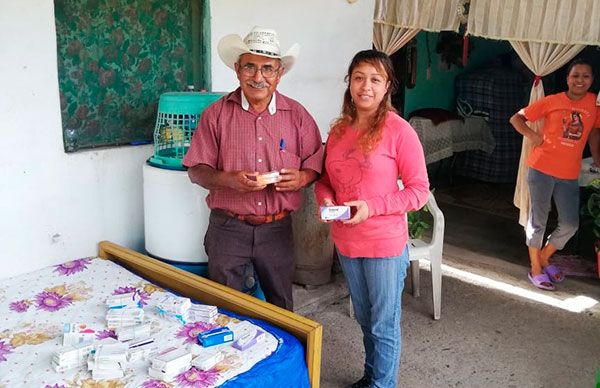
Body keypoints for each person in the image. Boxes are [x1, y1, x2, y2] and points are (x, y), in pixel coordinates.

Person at [182, 26, 323, 311]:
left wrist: (302, 177)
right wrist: (228, 179)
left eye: (267, 69)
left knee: (281, 307)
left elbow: (316, 163)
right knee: (226, 309)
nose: (258, 77)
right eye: (250, 67)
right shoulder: (217, 114)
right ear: (237, 69)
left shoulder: (297, 115)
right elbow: (196, 170)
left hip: (277, 229)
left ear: (279, 73)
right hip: (227, 227)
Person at [315, 50, 429, 388]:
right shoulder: (338, 131)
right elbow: (324, 179)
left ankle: (383, 384)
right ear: (349, 82)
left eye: (375, 79)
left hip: (384, 243)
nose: (366, 86)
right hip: (347, 241)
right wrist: (325, 200)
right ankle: (372, 377)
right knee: (365, 318)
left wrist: (370, 207)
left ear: (387, 86)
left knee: (384, 323)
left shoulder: (399, 131)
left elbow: (418, 190)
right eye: (359, 77)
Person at [510, 58, 600, 291]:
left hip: (569, 174)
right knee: (537, 222)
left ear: (592, 79)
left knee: (570, 223)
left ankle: (544, 257)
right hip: (541, 168)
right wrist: (536, 137)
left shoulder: (595, 104)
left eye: (586, 76)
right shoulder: (552, 101)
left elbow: (594, 135)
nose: (580, 80)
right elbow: (517, 118)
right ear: (567, 79)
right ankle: (536, 269)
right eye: (575, 76)